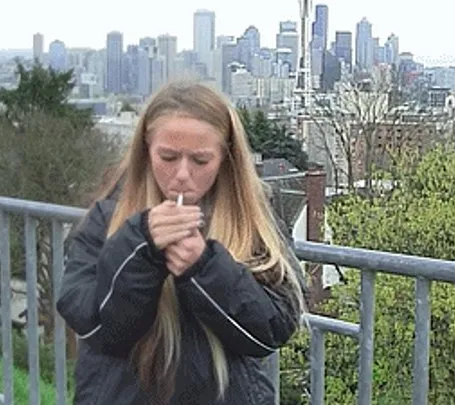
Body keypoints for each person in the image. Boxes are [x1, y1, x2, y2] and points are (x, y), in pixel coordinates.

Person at [56, 81, 307, 405]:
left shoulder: (252, 221)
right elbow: (97, 329)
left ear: (226, 159)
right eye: (168, 157)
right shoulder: (107, 219)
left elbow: (270, 331)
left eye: (201, 161)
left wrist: (204, 269)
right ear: (146, 150)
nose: (182, 175)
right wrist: (140, 247)